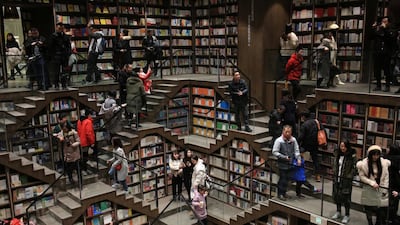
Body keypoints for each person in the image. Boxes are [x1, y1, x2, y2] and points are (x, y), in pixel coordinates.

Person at [357, 145, 391, 225]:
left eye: (377, 155)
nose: (376, 157)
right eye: (374, 155)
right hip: (369, 189)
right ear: (370, 155)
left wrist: (385, 189)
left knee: (380, 210)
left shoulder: (383, 163)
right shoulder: (364, 164)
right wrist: (371, 183)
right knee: (368, 208)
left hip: (380, 189)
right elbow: (361, 176)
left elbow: (386, 177)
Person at [331, 140, 357, 224]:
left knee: (346, 198)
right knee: (337, 196)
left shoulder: (352, 156)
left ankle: (347, 214)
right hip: (337, 179)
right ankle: (338, 211)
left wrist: (349, 176)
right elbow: (334, 165)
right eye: (341, 146)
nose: (342, 148)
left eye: (344, 146)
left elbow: (354, 168)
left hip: (346, 181)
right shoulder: (337, 154)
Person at [272, 125, 301, 201]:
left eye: (289, 132)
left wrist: (298, 159)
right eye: (286, 132)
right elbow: (274, 152)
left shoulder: (293, 140)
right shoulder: (279, 141)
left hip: (290, 163)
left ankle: (284, 193)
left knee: (287, 179)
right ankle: (280, 194)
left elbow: (296, 150)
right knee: (282, 179)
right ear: (283, 131)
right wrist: (284, 157)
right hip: (282, 164)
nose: (288, 133)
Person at [372, 16, 396, 92]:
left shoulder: (391, 30)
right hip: (378, 52)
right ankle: (378, 85)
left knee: (387, 70)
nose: (383, 23)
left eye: (385, 21)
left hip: (386, 53)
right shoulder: (379, 30)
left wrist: (385, 28)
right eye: (383, 21)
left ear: (388, 23)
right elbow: (370, 37)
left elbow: (390, 38)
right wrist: (373, 28)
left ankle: (387, 86)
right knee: (377, 70)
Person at [55, 121, 81, 187]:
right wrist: (59, 138)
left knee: (77, 169)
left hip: (74, 153)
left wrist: (72, 145)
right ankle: (71, 180)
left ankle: (80, 182)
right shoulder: (61, 133)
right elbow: (58, 139)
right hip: (67, 154)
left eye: (65, 127)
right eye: (63, 127)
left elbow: (78, 141)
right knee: (69, 169)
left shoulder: (74, 132)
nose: (64, 129)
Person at [297, 110, 320, 182]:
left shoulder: (304, 125)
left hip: (306, 144)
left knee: (300, 157)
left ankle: (300, 172)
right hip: (315, 143)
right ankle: (318, 176)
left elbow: (301, 136)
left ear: (303, 117)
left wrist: (297, 143)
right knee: (315, 159)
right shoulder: (316, 122)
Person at [47, 22, 71, 89]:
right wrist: (52, 55)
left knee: (64, 71)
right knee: (56, 71)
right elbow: (50, 46)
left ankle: (64, 84)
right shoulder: (53, 36)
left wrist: (68, 53)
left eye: (62, 28)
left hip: (64, 56)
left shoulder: (65, 36)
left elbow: (68, 46)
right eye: (59, 28)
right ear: (56, 28)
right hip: (56, 56)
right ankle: (56, 84)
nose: (60, 29)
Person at [76, 109, 95, 173]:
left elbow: (78, 131)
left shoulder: (79, 121)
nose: (92, 116)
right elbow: (89, 133)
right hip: (86, 142)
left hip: (80, 141)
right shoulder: (88, 122)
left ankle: (84, 170)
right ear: (89, 115)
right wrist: (92, 142)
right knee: (85, 156)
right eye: (91, 115)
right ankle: (84, 169)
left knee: (83, 156)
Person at [386, 144, 400, 224]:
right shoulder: (398, 159)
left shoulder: (386, 158)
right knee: (394, 202)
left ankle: (387, 218)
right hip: (396, 183)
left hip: (388, 182)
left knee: (387, 201)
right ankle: (392, 218)